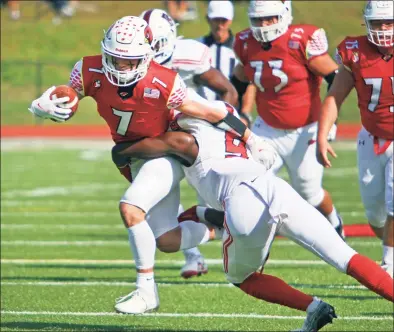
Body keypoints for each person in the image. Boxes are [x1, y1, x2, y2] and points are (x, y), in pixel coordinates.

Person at [28, 16, 276, 315]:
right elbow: (70, 95)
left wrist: (252, 139)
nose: (119, 67)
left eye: (127, 61)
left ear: (145, 57)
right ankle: (217, 223)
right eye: (114, 58)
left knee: (131, 208)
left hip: (163, 152)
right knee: (167, 240)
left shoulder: (164, 81)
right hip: (134, 155)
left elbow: (211, 112)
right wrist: (44, 105)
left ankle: (146, 292)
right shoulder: (88, 67)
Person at [111, 105, 394, 332]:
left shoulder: (183, 134)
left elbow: (140, 148)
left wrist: (121, 149)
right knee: (346, 257)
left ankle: (312, 306)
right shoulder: (232, 126)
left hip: (242, 201)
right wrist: (199, 213)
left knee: (242, 277)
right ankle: (320, 309)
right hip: (275, 188)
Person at [230, 0, 345, 238]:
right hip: (267, 129)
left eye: (269, 18)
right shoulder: (245, 42)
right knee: (252, 182)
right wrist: (240, 110)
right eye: (258, 19)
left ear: (283, 16)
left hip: (305, 129)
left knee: (309, 192)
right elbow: (240, 77)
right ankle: (258, 235)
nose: (263, 25)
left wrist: (331, 122)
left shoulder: (300, 41)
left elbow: (337, 80)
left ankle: (333, 221)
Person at [141, 8, 238, 278]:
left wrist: (228, 126)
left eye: (155, 44)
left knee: (215, 197)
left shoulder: (187, 55)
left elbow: (227, 90)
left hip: (195, 135)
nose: (149, 50)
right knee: (156, 197)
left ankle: (231, 232)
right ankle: (194, 256)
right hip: (161, 138)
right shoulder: (135, 61)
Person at [317, 0, 393, 277]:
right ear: (367, 23)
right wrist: (323, 135)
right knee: (375, 215)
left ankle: (389, 264)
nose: (383, 29)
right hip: (371, 137)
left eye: (389, 23)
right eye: (377, 23)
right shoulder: (354, 51)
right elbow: (335, 95)